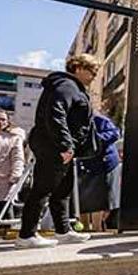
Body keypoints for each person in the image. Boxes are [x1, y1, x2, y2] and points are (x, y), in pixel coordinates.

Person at [15, 54, 100, 249]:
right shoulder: (66, 86)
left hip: (61, 147)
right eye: (91, 70)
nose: (94, 75)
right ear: (78, 68)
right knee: (43, 189)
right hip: (55, 147)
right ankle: (26, 235)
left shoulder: (71, 87)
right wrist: (65, 145)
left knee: (63, 191)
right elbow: (55, 112)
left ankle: (63, 231)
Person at [77, 113, 121, 232]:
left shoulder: (100, 120)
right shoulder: (72, 120)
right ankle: (84, 227)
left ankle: (97, 228)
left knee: (98, 198)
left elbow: (115, 133)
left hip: (103, 163)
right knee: (82, 198)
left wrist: (95, 139)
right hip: (83, 163)